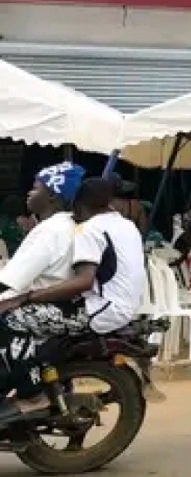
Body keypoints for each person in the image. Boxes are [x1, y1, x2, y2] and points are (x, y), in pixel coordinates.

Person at [0, 176, 146, 425]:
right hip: (122, 306)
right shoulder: (125, 225)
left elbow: (83, 281)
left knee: (11, 319)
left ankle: (33, 395)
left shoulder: (89, 229)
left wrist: (25, 298)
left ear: (80, 205)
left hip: (100, 310)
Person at [0, 165, 84, 304]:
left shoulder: (50, 229)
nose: (29, 193)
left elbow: (11, 280)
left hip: (37, 304)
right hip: (63, 302)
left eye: (35, 188)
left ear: (52, 195)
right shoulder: (72, 224)